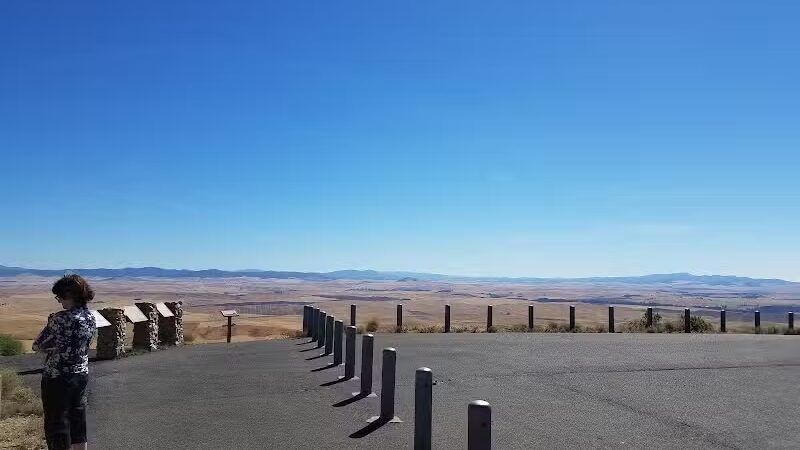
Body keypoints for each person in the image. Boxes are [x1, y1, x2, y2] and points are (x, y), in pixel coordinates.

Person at [32, 274, 97, 450]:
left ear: (70, 295)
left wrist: (52, 348)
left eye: (59, 297)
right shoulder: (90, 317)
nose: (59, 301)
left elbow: (37, 345)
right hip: (81, 375)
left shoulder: (60, 319)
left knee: (56, 422)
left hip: (57, 377)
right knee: (77, 417)